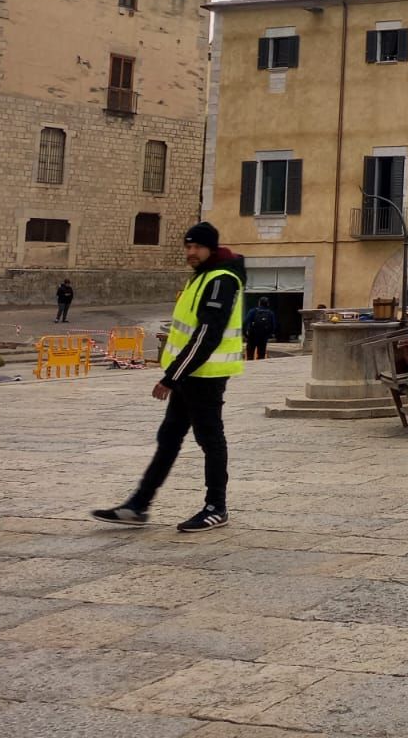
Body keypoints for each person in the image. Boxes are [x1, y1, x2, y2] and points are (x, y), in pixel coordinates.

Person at [92, 222, 244, 532]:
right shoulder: (200, 278)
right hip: (190, 375)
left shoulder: (221, 280)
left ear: (210, 248)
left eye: (196, 247)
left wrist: (171, 376)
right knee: (169, 438)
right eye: (187, 247)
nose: (190, 252)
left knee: (209, 439)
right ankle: (138, 505)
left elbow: (206, 335)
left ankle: (216, 507)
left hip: (205, 375)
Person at [244, 296, 277, 360]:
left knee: (250, 355)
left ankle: (251, 368)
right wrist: (268, 335)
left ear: (259, 303)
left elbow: (245, 322)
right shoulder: (270, 313)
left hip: (252, 336)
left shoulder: (253, 311)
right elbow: (273, 326)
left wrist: (246, 335)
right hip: (263, 337)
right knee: (261, 356)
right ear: (268, 304)